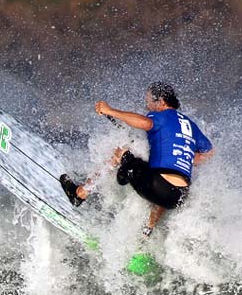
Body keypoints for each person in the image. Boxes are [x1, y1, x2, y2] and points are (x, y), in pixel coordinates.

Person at [59, 82, 214, 237]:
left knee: (122, 152)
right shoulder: (191, 126)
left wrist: (110, 110)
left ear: (160, 101)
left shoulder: (162, 116)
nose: (147, 107)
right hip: (179, 196)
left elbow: (145, 123)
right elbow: (209, 152)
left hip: (157, 186)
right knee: (162, 178)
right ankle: (147, 230)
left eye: (148, 102)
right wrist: (186, 156)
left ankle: (80, 193)